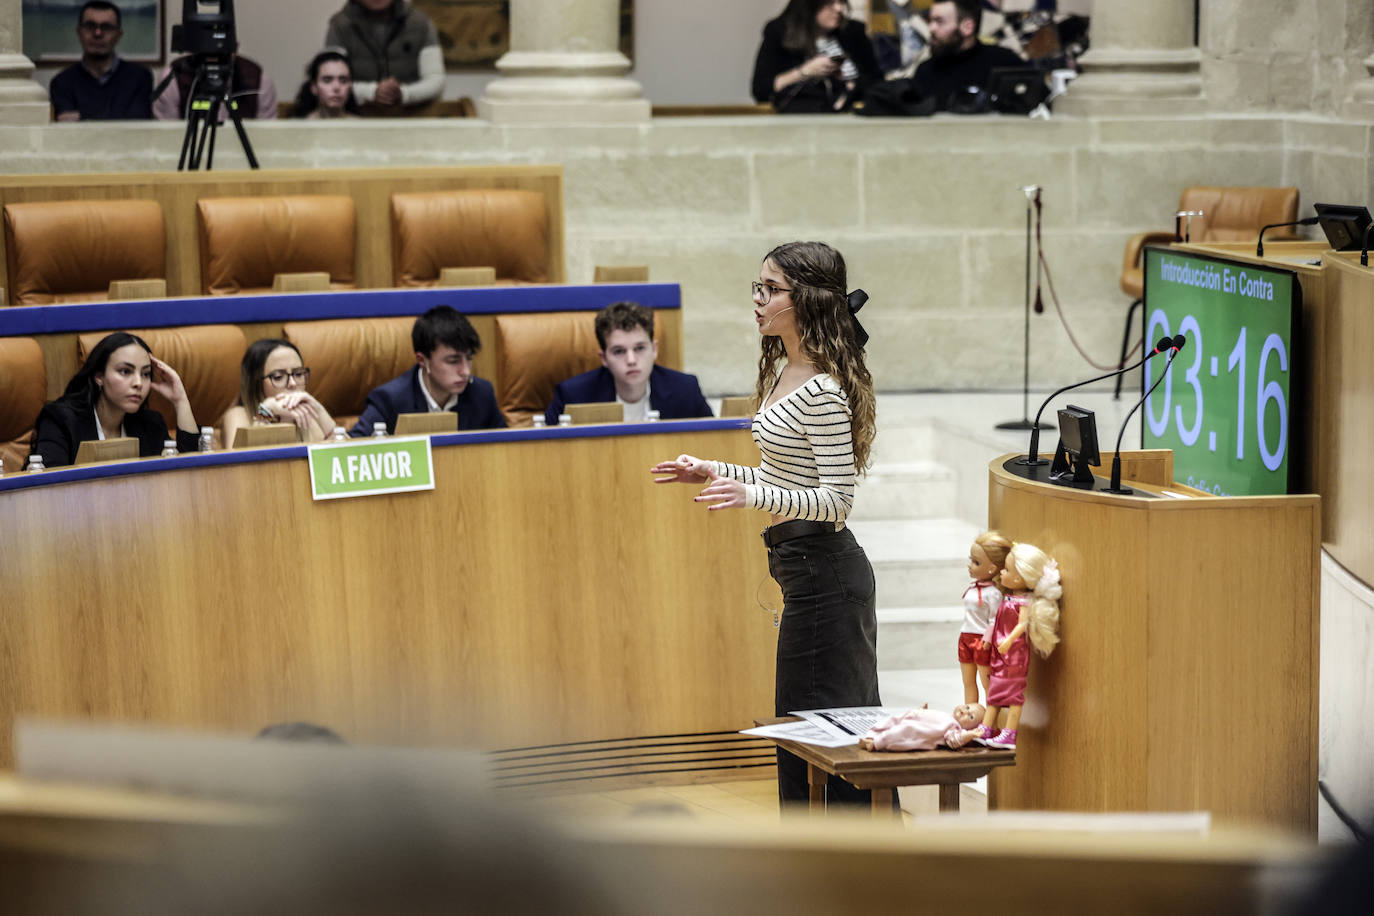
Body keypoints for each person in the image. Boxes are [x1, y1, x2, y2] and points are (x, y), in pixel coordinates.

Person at [651, 241, 880, 808]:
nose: (758, 300)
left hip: (828, 575)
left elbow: (835, 500)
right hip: (804, 573)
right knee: (804, 732)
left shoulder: (823, 389)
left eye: (771, 289)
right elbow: (785, 473)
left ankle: (850, 869)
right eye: (757, 287)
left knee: (826, 738)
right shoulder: (788, 369)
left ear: (806, 299)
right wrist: (713, 469)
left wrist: (749, 492)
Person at [32, 331, 199, 468]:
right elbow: (50, 484)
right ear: (99, 376)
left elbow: (186, 472)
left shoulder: (150, 424)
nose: (138, 383)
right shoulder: (61, 420)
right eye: (125, 371)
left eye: (146, 374)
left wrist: (180, 400)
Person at [543, 302, 712, 426]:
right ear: (604, 358)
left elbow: (713, 449)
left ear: (654, 350)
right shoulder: (573, 397)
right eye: (619, 351)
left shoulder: (685, 390)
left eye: (639, 348)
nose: (631, 360)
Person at [350, 306, 506, 437]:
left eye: (469, 358)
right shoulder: (390, 400)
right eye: (453, 361)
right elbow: (353, 450)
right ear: (422, 360)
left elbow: (506, 449)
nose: (465, 371)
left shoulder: (482, 394)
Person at [975, 541, 1062, 750]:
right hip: (1001, 653)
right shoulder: (1010, 597)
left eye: (1005, 569)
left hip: (1013, 655)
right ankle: (986, 727)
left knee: (1013, 694)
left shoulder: (1022, 602)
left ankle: (1009, 733)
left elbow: (1022, 624)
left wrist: (1008, 640)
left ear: (1018, 577)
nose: (1001, 573)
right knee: (995, 690)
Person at [750, 0, 882, 113]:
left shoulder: (853, 32)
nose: (839, 8)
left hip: (850, 118)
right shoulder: (779, 32)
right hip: (800, 120)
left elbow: (878, 84)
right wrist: (805, 71)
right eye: (830, 3)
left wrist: (849, 83)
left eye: (841, 2)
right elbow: (761, 90)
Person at [324, 0, 444, 111]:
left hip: (415, 117)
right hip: (356, 118)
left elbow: (435, 79)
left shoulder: (420, 23)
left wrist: (404, 93)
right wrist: (371, 92)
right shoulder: (339, 25)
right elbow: (329, 81)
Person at [222, 339, 337, 448]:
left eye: (298, 374)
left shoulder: (309, 417)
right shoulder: (238, 415)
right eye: (278, 377)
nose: (292, 383)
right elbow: (241, 465)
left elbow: (345, 460)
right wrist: (266, 411)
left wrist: (319, 411)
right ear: (256, 384)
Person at [913, 0, 1025, 111]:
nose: (931, 28)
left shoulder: (1004, 63)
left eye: (939, 21)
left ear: (967, 27)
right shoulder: (925, 71)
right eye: (930, 21)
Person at [49, 2, 153, 121]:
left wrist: (82, 116)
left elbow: (137, 125)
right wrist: (118, 115)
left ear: (119, 35)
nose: (98, 33)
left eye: (106, 27)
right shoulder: (62, 83)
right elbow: (67, 129)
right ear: (79, 32)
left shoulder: (140, 78)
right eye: (90, 26)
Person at [153, 50, 279, 121]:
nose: (214, 56)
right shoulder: (175, 76)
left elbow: (265, 138)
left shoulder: (257, 80)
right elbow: (168, 136)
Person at [959, 530, 1010, 705]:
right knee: (968, 682)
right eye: (970, 560)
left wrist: (987, 640)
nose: (970, 565)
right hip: (965, 637)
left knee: (987, 684)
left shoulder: (993, 594)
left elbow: (995, 619)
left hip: (981, 640)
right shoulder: (974, 589)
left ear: (992, 568)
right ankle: (969, 717)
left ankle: (991, 722)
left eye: (976, 562)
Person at [859, 702, 986, 751]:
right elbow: (931, 717)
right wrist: (922, 711)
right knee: (892, 720)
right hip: (913, 716)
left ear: (968, 729)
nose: (965, 711)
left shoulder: (955, 728)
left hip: (915, 730)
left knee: (899, 732)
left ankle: (875, 743)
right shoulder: (948, 715)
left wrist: (970, 735)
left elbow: (953, 741)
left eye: (970, 717)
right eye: (967, 707)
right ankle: (872, 734)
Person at [291, 50, 360, 119]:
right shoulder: (298, 126)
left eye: (343, 81)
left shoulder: (361, 126)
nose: (336, 87)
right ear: (314, 87)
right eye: (327, 80)